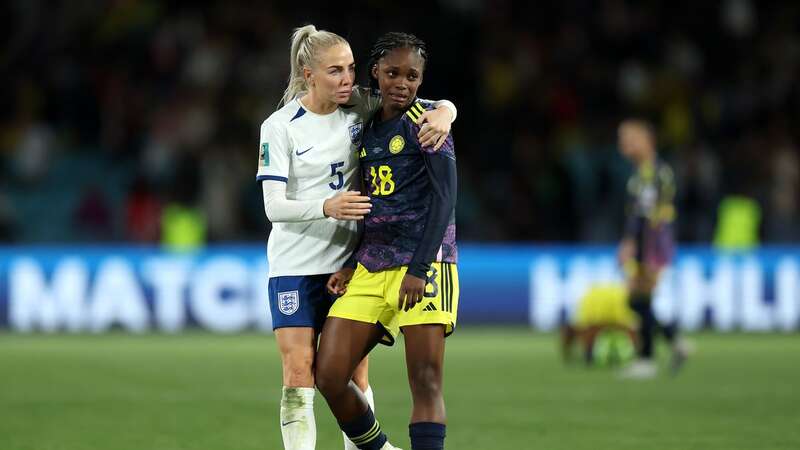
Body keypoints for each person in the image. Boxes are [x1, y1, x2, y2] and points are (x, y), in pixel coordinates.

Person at [258, 25, 457, 450]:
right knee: (307, 371)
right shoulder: (286, 125)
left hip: (380, 260)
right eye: (335, 70)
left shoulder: (373, 111)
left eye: (350, 69)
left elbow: (443, 192)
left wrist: (447, 110)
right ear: (308, 73)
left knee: (378, 377)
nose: (347, 79)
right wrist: (328, 211)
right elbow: (272, 205)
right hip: (312, 261)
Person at [616, 119, 688, 378]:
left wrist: (630, 243)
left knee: (638, 299)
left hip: (651, 245)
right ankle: (674, 341)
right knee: (638, 301)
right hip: (655, 243)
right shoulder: (652, 171)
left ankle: (646, 359)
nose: (622, 144)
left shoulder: (650, 173)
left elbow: (644, 216)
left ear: (645, 140)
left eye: (627, 138)